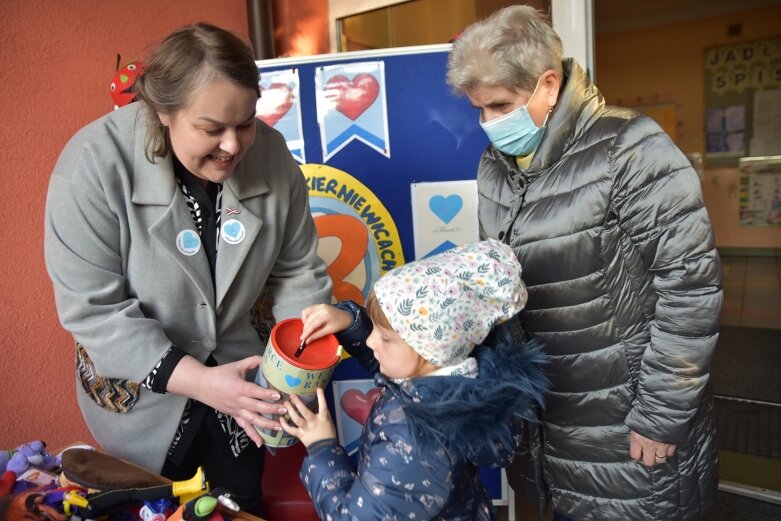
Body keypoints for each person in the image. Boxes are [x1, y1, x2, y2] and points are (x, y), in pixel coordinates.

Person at [446, 6, 723, 521]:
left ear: (548, 85)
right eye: (478, 110)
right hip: (551, 418)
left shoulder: (630, 149)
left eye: (500, 105)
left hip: (627, 420)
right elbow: (499, 281)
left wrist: (661, 416)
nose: (488, 124)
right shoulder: (495, 168)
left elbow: (690, 291)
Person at [44, 23, 332, 515]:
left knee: (236, 506)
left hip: (244, 387)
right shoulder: (92, 165)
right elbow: (94, 312)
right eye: (211, 128)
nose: (233, 145)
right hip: (141, 401)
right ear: (161, 110)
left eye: (245, 122)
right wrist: (200, 382)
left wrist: (297, 368)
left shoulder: (271, 154)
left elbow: (297, 270)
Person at [279, 239, 549, 520]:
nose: (371, 340)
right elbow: (400, 370)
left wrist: (322, 447)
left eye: (384, 337)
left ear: (428, 352)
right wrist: (350, 322)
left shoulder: (418, 442)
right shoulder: (451, 381)